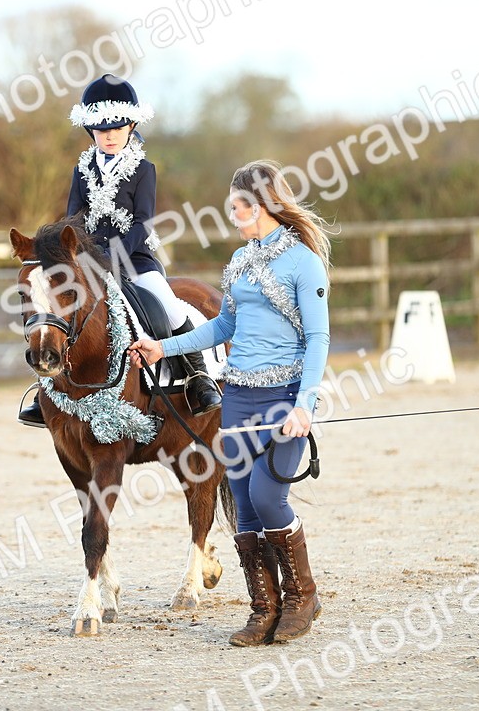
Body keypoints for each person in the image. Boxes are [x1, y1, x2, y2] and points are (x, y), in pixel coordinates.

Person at [127, 159, 332, 647]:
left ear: (261, 206)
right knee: (244, 505)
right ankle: (264, 609)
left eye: (239, 206)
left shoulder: (303, 262)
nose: (233, 215)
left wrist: (304, 404)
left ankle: (302, 597)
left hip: (284, 397)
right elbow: (223, 327)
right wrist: (163, 348)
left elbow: (319, 337)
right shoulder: (239, 261)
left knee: (268, 497)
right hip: (238, 396)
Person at [17, 74, 223, 426]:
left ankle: (198, 376)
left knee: (169, 307)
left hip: (134, 257)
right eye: (101, 130)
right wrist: (77, 257)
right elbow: (73, 220)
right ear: (91, 131)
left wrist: (115, 258)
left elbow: (143, 222)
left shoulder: (143, 170)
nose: (109, 135)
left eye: (116, 128)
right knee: (55, 309)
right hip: (87, 261)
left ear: (131, 127)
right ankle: (45, 389)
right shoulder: (81, 171)